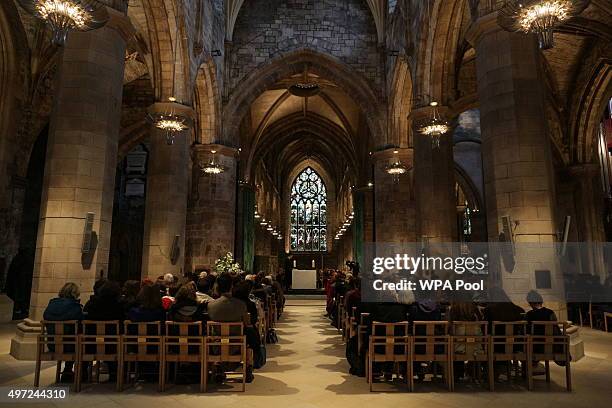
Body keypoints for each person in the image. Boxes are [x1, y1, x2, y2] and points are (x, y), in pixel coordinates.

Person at [42, 282, 84, 382]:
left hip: (52, 343)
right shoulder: (75, 307)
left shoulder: (51, 304)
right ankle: (77, 372)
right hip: (69, 345)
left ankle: (68, 371)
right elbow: (81, 322)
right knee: (80, 339)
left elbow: (45, 317)